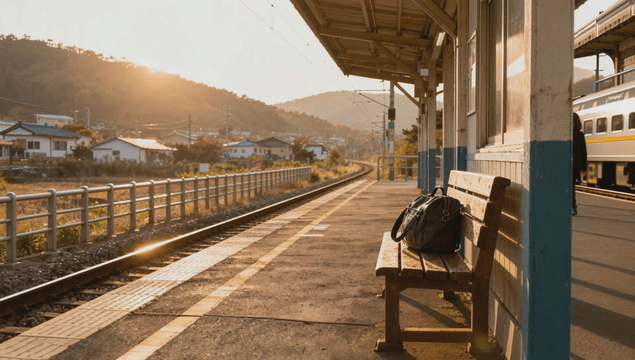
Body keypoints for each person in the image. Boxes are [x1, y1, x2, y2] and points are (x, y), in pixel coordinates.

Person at [572, 113, 587, 216]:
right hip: (575, 165)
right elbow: (583, 151)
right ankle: (573, 207)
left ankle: (571, 206)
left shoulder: (565, 134)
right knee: (571, 186)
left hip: (566, 164)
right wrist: (584, 166)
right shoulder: (580, 134)